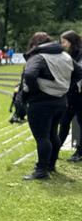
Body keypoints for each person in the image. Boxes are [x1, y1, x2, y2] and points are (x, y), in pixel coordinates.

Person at [21, 32, 82, 179]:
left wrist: (35, 92)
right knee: (53, 134)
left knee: (42, 137)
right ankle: (51, 165)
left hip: (41, 103)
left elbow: (29, 75)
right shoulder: (65, 56)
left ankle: (41, 170)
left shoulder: (38, 57)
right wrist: (65, 86)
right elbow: (79, 73)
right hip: (60, 101)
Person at [58, 30, 82, 162]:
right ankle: (56, 147)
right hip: (70, 93)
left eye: (64, 42)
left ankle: (80, 151)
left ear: (72, 42)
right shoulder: (68, 54)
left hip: (79, 94)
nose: (62, 44)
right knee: (64, 121)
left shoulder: (80, 54)